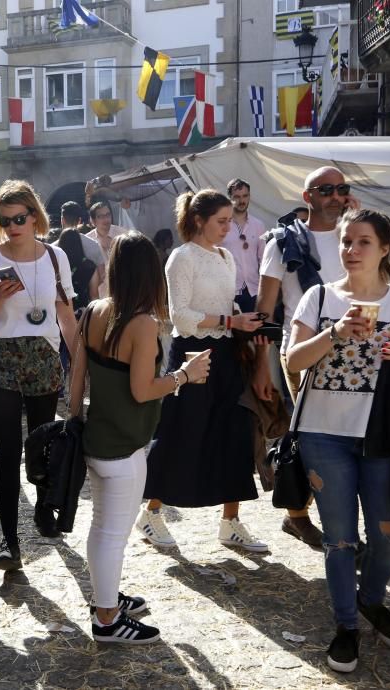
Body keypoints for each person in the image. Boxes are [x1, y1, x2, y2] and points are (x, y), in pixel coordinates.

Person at [286, 208, 390, 673]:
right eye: (346, 241)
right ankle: (346, 625)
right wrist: (335, 331)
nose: (351, 250)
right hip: (324, 437)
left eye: (363, 241)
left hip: (382, 440)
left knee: (387, 540)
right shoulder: (319, 297)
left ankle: (371, 599)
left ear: (384, 248)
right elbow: (293, 362)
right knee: (341, 540)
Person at [68, 231, 211, 644]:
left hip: (97, 436)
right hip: (124, 443)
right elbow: (142, 390)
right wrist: (186, 375)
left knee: (102, 529)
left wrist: (75, 422)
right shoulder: (143, 323)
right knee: (112, 535)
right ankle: (107, 620)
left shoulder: (94, 310)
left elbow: (77, 377)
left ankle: (105, 600)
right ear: (151, 273)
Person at [138, 190, 267, 552]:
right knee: (183, 433)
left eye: (229, 220)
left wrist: (245, 323)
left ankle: (230, 522)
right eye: (222, 221)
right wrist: (231, 319)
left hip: (227, 353)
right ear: (199, 220)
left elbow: (224, 307)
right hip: (193, 354)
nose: (229, 227)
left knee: (235, 435)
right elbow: (180, 316)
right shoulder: (181, 258)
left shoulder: (226, 256)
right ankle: (150, 514)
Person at [0, 180, 78, 570]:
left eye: (19, 218)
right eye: (5, 220)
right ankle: (8, 541)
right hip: (1, 357)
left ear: (35, 216)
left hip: (44, 356)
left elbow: (66, 315)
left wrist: (79, 363)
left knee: (41, 446)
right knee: (6, 454)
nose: (12, 225)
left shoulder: (55, 257)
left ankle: (43, 507)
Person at [254, 166, 359, 548]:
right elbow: (265, 310)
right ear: (307, 197)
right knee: (316, 439)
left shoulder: (356, 236)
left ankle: (321, 517)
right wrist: (261, 368)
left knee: (349, 439)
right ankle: (300, 515)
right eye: (326, 189)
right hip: (304, 352)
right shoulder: (281, 244)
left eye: (341, 189)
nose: (336, 196)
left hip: (355, 353)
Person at [223, 179, 266, 313]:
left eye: (245, 196)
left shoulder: (258, 225)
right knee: (231, 333)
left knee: (253, 332)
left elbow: (264, 260)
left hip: (254, 290)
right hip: (228, 292)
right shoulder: (221, 225)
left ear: (249, 197)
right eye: (237, 197)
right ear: (229, 198)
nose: (242, 201)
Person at [56, 201, 106, 293]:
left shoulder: (52, 248)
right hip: (86, 301)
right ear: (79, 221)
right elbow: (102, 275)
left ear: (62, 220)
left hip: (59, 300)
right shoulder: (93, 245)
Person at [57, 228, 98, 309]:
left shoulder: (55, 265)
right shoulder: (89, 266)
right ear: (79, 243)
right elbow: (94, 295)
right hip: (83, 312)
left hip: (60, 311)